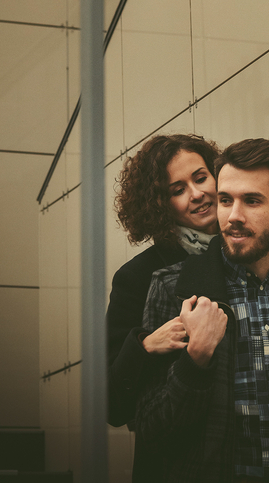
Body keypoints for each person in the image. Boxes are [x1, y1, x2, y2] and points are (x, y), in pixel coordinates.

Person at [134, 138, 269, 482]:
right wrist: (196, 359)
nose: (233, 217)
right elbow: (150, 429)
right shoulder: (174, 288)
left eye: (252, 201)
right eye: (225, 200)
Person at [106, 133, 220, 427]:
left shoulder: (250, 252)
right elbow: (111, 407)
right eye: (178, 190)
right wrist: (144, 346)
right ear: (159, 205)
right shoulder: (137, 277)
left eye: (201, 178)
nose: (196, 194)